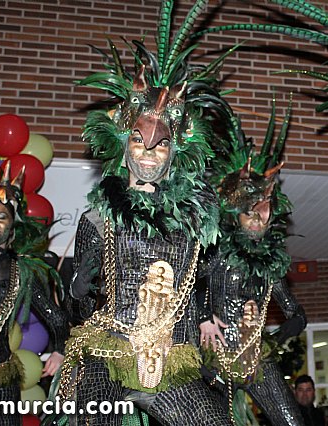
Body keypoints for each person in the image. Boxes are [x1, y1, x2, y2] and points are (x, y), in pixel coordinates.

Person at [58, 1, 233, 424]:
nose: (149, 154)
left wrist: (210, 317)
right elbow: (77, 308)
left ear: (176, 152)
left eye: (160, 146)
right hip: (107, 349)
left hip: (169, 356)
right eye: (139, 141)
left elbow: (205, 275)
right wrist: (77, 292)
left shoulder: (194, 221)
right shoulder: (98, 219)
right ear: (124, 142)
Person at [198, 108, 307, 425]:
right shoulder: (216, 248)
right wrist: (204, 317)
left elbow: (295, 312)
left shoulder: (272, 262)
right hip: (212, 354)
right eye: (251, 212)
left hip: (256, 354)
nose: (259, 219)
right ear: (235, 213)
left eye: (265, 210)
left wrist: (285, 331)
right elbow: (192, 280)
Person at [0, 160, 68, 425]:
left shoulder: (22, 271)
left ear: (12, 225)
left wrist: (59, 350)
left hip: (1, 379)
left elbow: (56, 318)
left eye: (1, 218)